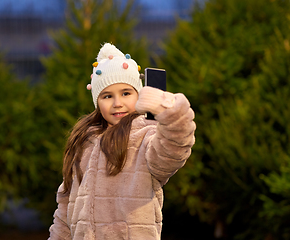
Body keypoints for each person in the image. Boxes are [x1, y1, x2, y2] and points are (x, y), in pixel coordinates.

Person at [48, 43, 196, 240]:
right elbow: (66, 206)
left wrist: (171, 115)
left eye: (126, 93)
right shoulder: (84, 141)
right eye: (107, 96)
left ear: (139, 94)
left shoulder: (147, 136)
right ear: (97, 102)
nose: (117, 103)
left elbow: (172, 153)